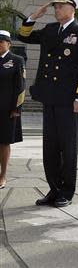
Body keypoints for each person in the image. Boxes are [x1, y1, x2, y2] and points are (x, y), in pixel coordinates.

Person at [18, 0, 78, 207]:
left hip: (68, 98)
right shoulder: (50, 29)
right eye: (55, 6)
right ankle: (53, 188)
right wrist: (33, 18)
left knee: (67, 146)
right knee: (50, 146)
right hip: (49, 96)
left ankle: (66, 192)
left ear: (72, 8)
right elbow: (23, 36)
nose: (57, 9)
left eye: (60, 5)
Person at [0, 30, 25, 189]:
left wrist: (17, 108)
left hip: (7, 110)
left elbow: (21, 87)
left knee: (3, 143)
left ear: (9, 43)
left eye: (1, 41)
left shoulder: (16, 60)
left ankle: (3, 176)